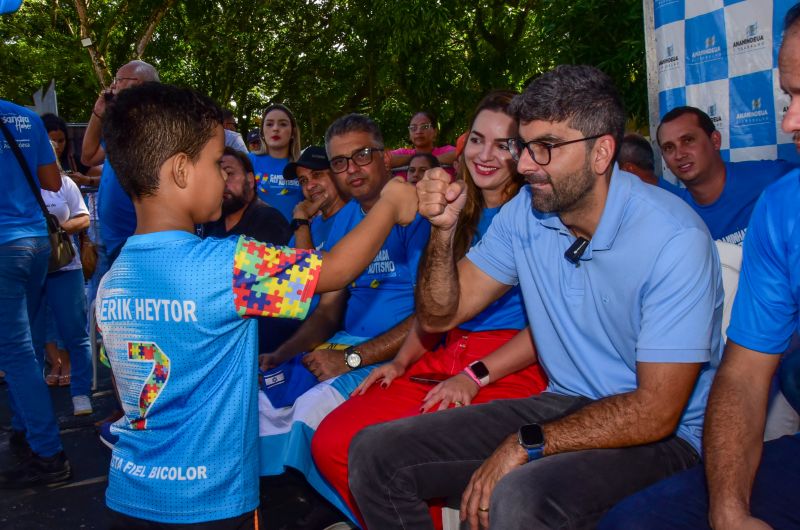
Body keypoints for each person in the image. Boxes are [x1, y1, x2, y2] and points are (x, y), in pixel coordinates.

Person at [347, 64, 723, 530]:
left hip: (666, 436)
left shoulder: (673, 237)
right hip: (565, 399)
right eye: (524, 146)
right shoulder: (526, 213)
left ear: (601, 152)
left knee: (521, 497)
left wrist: (526, 442)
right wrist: (442, 233)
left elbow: (656, 411)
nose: (523, 164)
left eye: (545, 148)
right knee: (374, 453)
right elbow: (440, 315)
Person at [95, 82, 418, 527]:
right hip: (212, 503)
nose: (225, 179)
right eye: (216, 165)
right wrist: (391, 204)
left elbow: (122, 383)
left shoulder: (111, 281)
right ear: (182, 172)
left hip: (131, 492)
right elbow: (337, 269)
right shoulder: (227, 264)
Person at [598, 8, 800, 529]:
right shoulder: (780, 206)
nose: (790, 122)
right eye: (789, 98)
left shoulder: (765, 182)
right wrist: (728, 509)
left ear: (715, 141)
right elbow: (745, 371)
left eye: (688, 140)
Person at [311, 90, 549, 527]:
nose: (486, 154)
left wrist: (475, 375)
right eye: (477, 140)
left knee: (407, 456)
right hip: (442, 352)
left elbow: (550, 328)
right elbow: (434, 310)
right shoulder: (453, 208)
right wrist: (401, 362)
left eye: (503, 144)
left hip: (510, 364)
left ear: (525, 151)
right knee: (331, 442)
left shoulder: (540, 213)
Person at [257, 114, 430, 526]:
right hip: (343, 346)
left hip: (399, 355)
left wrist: (351, 358)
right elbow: (330, 305)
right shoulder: (347, 220)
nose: (351, 169)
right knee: (259, 403)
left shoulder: (417, 211)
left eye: (363, 156)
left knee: (311, 413)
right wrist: (283, 352)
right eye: (340, 162)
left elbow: (434, 315)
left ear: (386, 157)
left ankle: (335, 514)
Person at [0, 98, 71, 488]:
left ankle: (48, 453)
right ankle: (24, 430)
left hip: (4, 247)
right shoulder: (26, 117)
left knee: (15, 352)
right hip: (34, 241)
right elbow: (52, 181)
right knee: (22, 346)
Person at [657, 106, 795, 245]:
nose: (679, 154)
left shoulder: (770, 178)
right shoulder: (679, 216)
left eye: (688, 140)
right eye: (669, 148)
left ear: (715, 141)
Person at [81, 59, 160, 264]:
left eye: (119, 80)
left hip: (140, 242)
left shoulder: (160, 126)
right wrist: (99, 112)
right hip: (112, 242)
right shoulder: (121, 126)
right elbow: (88, 156)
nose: (113, 86)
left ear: (139, 84)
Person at [31, 166, 94, 416]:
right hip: (28, 267)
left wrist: (57, 229)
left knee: (75, 332)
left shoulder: (64, 183)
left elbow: (84, 217)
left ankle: (81, 393)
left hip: (64, 265)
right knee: (32, 338)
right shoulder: (13, 183)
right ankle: (34, 404)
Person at [202, 147, 290, 244]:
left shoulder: (271, 222)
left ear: (250, 180)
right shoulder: (209, 221)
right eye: (217, 176)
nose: (222, 182)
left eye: (229, 173)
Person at [283, 145, 348, 251]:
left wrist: (300, 221)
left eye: (317, 175)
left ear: (336, 175)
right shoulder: (306, 227)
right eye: (303, 181)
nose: (309, 186)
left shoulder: (356, 216)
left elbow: (309, 266)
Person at [248, 103, 304, 221]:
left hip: (294, 236)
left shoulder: (303, 165)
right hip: (253, 236)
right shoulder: (248, 161)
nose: (275, 129)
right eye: (269, 124)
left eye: (283, 124)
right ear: (262, 132)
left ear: (293, 132)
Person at [41, 113, 102, 187]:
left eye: (61, 141)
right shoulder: (33, 163)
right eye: (52, 141)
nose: (57, 146)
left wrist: (87, 180)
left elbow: (107, 178)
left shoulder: (73, 161)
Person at [391, 111, 457, 177]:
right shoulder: (401, 153)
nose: (418, 131)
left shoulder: (447, 151)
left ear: (435, 132)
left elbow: (461, 155)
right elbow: (384, 160)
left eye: (424, 127)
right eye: (413, 128)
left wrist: (426, 160)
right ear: (409, 135)